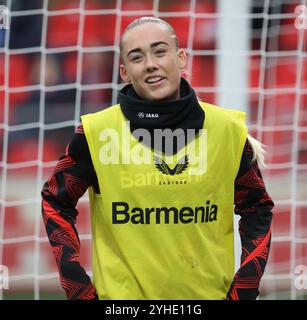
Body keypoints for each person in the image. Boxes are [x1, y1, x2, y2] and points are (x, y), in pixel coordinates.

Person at [41, 16, 274, 300]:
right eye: (137, 57)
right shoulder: (96, 133)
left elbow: (258, 208)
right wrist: (79, 290)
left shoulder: (227, 130)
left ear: (181, 58)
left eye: (159, 51)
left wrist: (245, 290)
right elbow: (54, 201)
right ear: (125, 73)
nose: (150, 63)